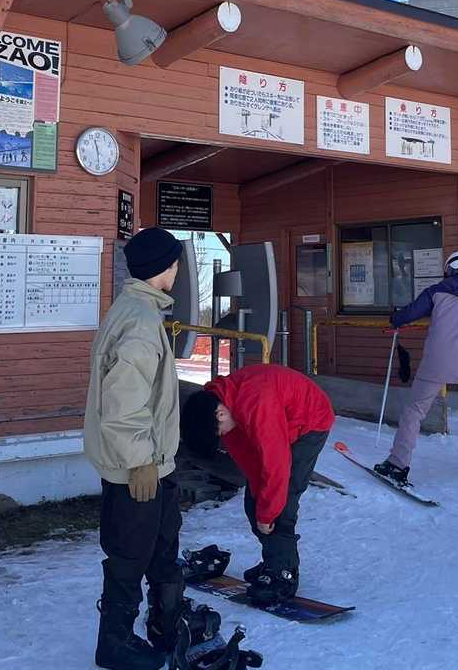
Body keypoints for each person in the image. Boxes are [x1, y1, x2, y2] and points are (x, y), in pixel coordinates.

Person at [85, 227, 185, 670]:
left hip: (155, 464)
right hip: (139, 468)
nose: (178, 271)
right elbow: (124, 401)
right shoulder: (141, 322)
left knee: (161, 548)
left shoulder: (135, 309)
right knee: (129, 556)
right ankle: (115, 644)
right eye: (176, 263)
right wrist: (141, 460)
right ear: (166, 267)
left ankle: (166, 625)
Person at [180, 363, 334, 606]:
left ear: (220, 414)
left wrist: (268, 513)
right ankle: (274, 560)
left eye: (218, 433)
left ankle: (283, 574)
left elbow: (277, 466)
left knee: (283, 500)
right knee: (255, 501)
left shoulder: (257, 405)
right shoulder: (223, 409)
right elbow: (251, 465)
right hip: (280, 417)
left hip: (310, 419)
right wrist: (259, 505)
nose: (221, 437)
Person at [373, 250, 458, 487]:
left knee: (415, 411)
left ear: (449, 269)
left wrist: (395, 317)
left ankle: (398, 464)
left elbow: (408, 314)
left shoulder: (436, 292)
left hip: (436, 362)